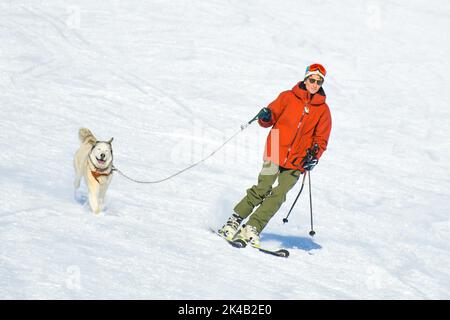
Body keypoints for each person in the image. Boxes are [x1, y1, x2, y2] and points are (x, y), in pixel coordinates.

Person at [218, 63, 332, 246]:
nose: (315, 84)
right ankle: (234, 220)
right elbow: (270, 117)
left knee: (279, 195)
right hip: (276, 150)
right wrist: (266, 116)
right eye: (312, 80)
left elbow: (321, 138)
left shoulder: (323, 110)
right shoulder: (288, 97)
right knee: (263, 188)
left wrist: (314, 156)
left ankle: (252, 227)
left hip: (297, 161)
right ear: (305, 78)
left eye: (319, 82)